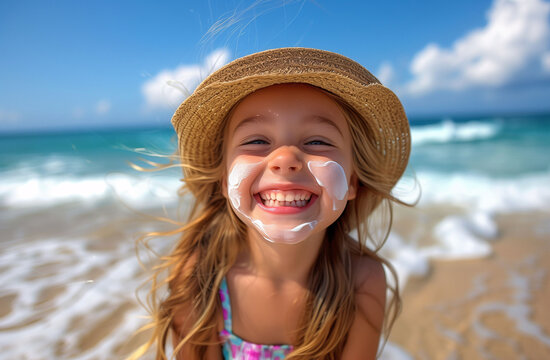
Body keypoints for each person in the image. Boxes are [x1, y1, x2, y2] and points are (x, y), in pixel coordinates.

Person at [132, 47, 410, 360]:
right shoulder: (200, 279)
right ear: (223, 180)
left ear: (353, 182)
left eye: (318, 141)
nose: (285, 159)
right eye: (257, 141)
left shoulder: (362, 280)